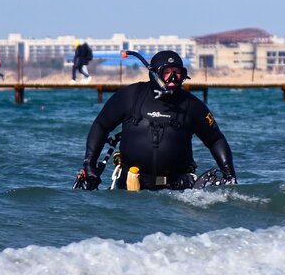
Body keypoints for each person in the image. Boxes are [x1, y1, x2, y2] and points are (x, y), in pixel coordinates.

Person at [80, 50, 236, 190]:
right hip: (131, 188)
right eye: (167, 72)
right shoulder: (130, 96)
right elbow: (101, 125)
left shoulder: (192, 105)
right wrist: (89, 165)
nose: (173, 77)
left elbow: (215, 139)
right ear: (154, 74)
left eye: (178, 72)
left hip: (178, 191)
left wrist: (230, 176)